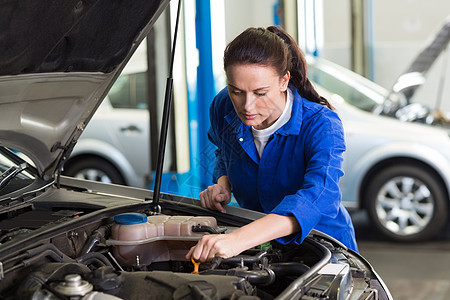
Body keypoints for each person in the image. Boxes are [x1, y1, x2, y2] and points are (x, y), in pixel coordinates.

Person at [186, 26, 358, 263]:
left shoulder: (321, 125)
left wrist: (238, 240)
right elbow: (222, 151)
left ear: (284, 80)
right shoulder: (223, 106)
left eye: (260, 93)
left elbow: (318, 196)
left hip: (323, 248)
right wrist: (223, 184)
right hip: (260, 246)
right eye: (236, 91)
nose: (247, 106)